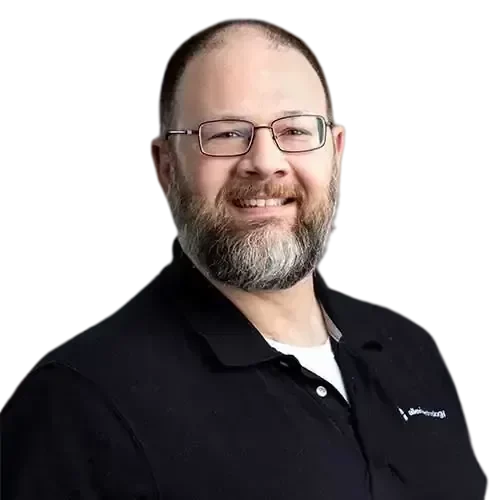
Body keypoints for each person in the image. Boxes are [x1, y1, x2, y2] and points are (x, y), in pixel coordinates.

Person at [2, 19, 487, 500]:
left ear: (334, 153)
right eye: (227, 133)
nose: (265, 160)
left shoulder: (408, 351)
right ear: (166, 168)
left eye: (295, 130)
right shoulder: (80, 404)